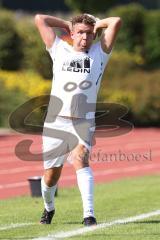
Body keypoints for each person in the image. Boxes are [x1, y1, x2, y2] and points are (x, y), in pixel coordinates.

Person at [35, 13, 122, 226]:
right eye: (80, 33)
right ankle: (49, 208)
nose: (85, 37)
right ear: (72, 34)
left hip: (83, 121)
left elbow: (116, 21)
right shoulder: (58, 49)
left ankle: (89, 216)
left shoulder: (99, 52)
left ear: (94, 35)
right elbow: (39, 19)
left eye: (89, 34)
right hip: (56, 122)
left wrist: (96, 24)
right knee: (51, 176)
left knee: (80, 159)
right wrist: (67, 24)